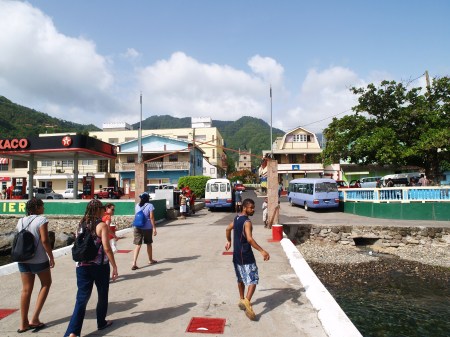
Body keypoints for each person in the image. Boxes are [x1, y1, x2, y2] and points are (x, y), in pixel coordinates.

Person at [64, 200, 118, 337]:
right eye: (102, 208)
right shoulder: (101, 226)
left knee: (81, 299)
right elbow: (106, 248)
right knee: (102, 294)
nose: (104, 210)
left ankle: (72, 332)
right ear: (98, 210)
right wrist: (114, 266)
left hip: (82, 265)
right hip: (99, 266)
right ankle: (101, 323)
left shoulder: (81, 224)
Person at [225, 198, 270, 321]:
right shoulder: (247, 222)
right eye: (251, 207)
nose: (253, 209)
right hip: (246, 255)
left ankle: (241, 299)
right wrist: (262, 250)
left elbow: (228, 229)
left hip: (236, 256)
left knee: (240, 279)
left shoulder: (236, 218)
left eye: (253, 207)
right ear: (245, 207)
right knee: (253, 279)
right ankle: (246, 301)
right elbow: (249, 239)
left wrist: (229, 241)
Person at [16, 198, 54, 333]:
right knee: (46, 284)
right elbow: (45, 240)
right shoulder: (41, 220)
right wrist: (51, 256)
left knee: (25, 290)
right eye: (42, 206)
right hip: (38, 260)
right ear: (37, 207)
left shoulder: (20, 221)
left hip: (23, 260)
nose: (44, 208)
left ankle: (23, 324)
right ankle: (35, 319)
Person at [131, 192, 157, 270]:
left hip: (137, 227)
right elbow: (151, 217)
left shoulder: (137, 205)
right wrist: (154, 228)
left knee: (137, 245)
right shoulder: (150, 205)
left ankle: (134, 263)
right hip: (147, 228)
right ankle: (150, 260)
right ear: (148, 198)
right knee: (148, 244)